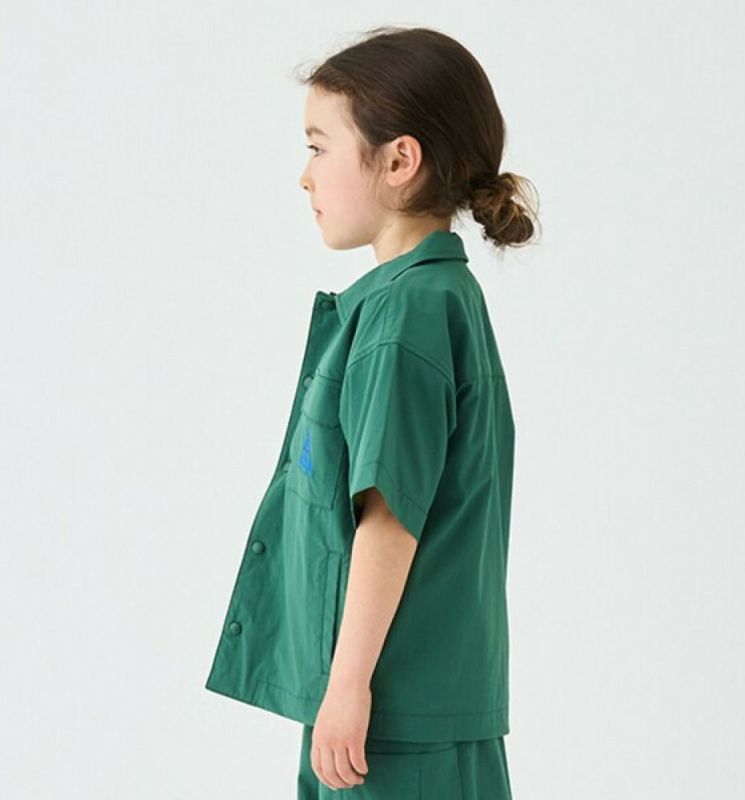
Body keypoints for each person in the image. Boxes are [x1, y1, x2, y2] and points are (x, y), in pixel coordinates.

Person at [204, 24, 540, 799]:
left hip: (390, 723)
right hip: (419, 709)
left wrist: (347, 685)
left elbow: (389, 514)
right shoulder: (437, 296)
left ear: (398, 160)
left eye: (319, 147)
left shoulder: (407, 312)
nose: (305, 176)